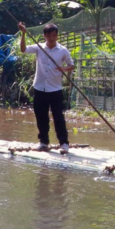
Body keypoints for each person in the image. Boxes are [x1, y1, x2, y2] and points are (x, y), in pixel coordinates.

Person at [18, 22, 75, 155]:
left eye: (54, 36)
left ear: (57, 36)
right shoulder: (39, 48)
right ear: (44, 36)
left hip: (55, 89)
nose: (52, 38)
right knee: (41, 117)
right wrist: (23, 34)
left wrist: (64, 69)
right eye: (49, 36)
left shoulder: (62, 50)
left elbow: (71, 65)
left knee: (58, 117)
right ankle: (44, 142)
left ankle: (64, 143)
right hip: (40, 88)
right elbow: (23, 50)